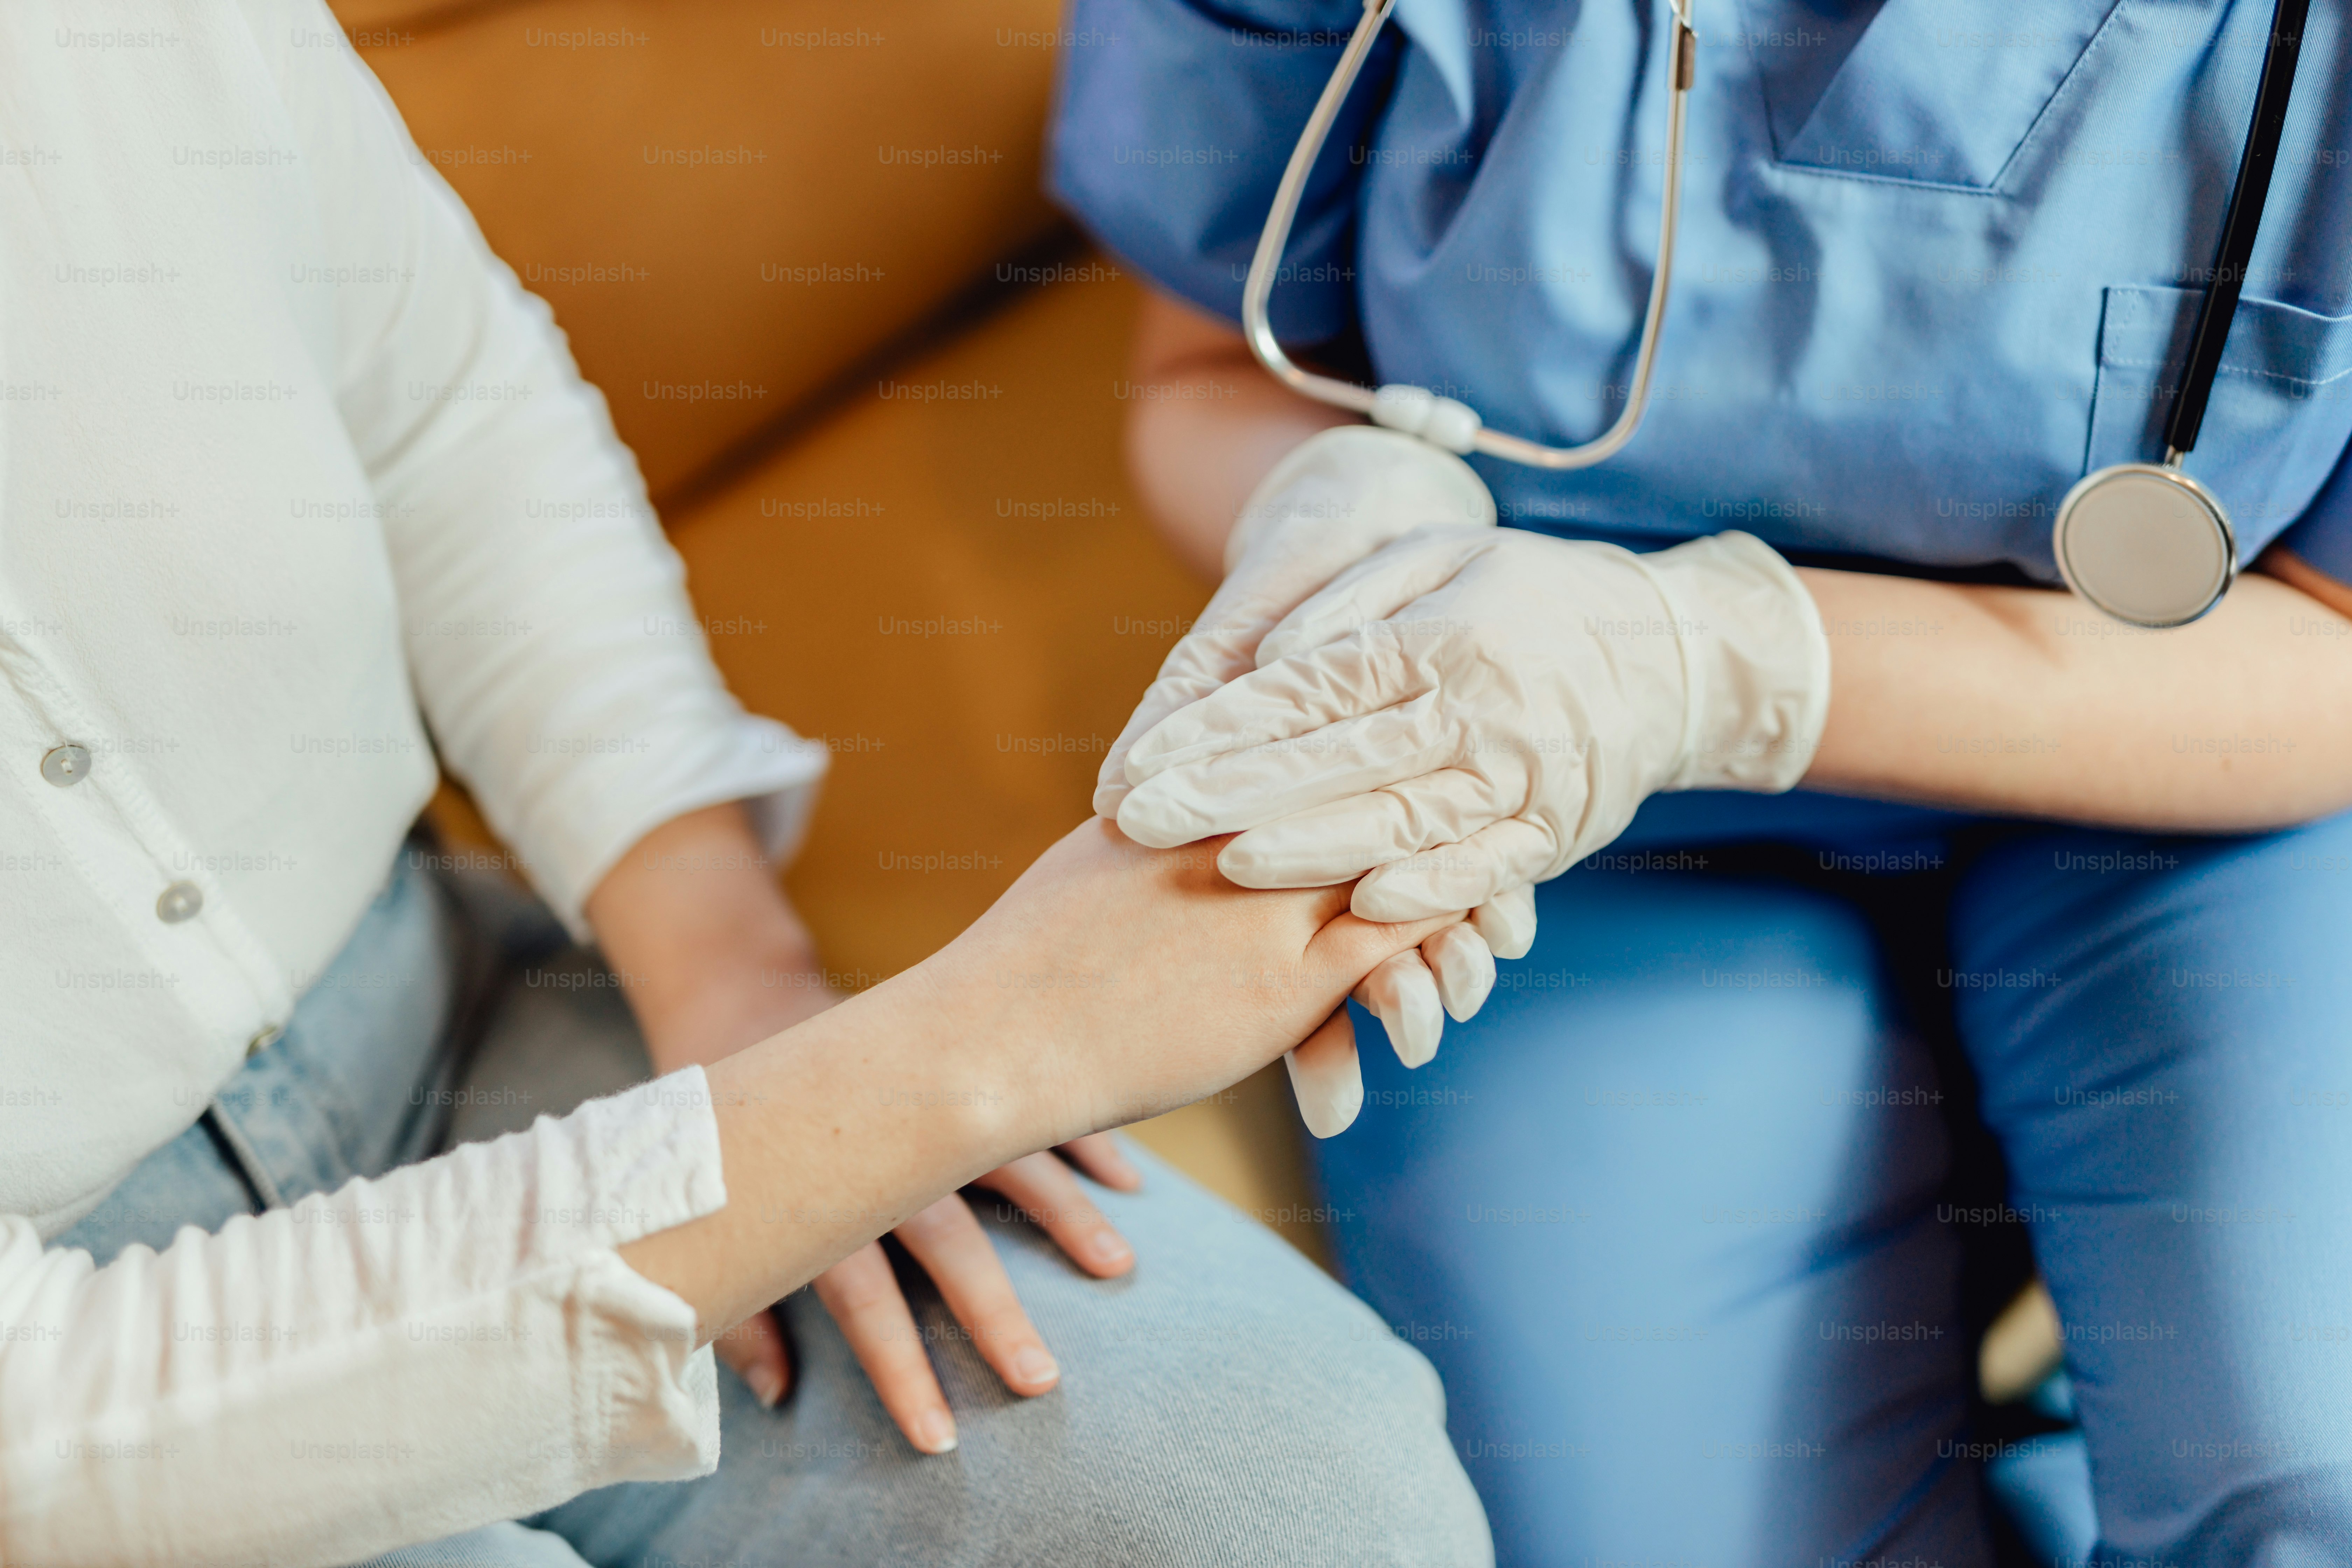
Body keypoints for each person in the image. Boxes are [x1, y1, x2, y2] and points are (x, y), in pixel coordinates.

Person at [0, 3, 1491, 1563]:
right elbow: (51, 1432)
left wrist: (728, 966)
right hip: (79, 1412)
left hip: (438, 1011)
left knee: (1296, 1501)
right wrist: (954, 1064)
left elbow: (440, 406)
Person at [1051, 2, 2352, 1564]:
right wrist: (1352, 531)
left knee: (2310, 1489)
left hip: (2186, 775)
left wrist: (1714, 660)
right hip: (1568, 796)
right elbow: (1208, 365)